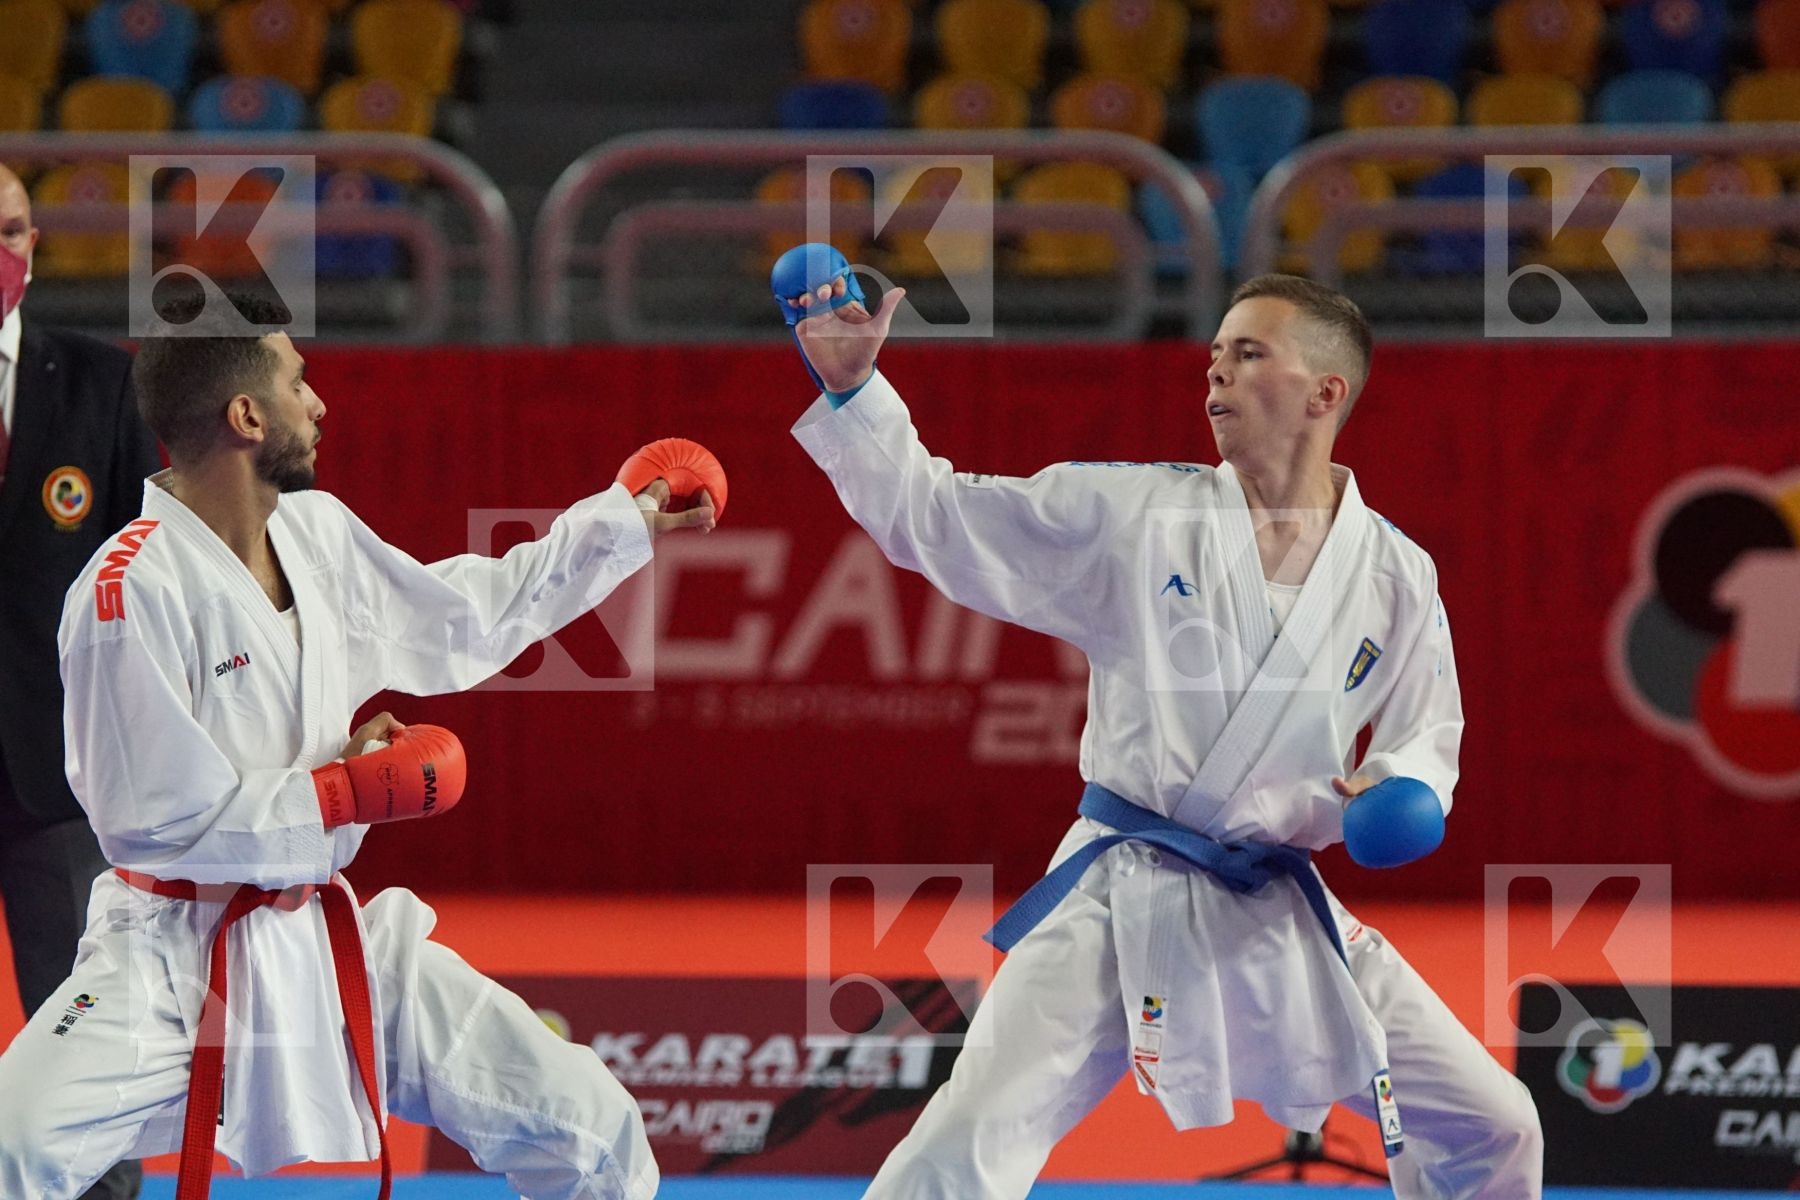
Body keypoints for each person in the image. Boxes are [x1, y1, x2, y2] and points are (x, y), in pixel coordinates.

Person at [774, 256, 1544, 1199]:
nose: (1214, 372)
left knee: (1496, 1124)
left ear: (1324, 392)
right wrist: (856, 388)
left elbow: (1427, 732)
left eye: (1248, 354)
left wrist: (1404, 791)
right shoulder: (1137, 514)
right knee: (962, 1146)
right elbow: (936, 517)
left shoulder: (1395, 571)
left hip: (1273, 899)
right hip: (1118, 893)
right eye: (1215, 353)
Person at [0, 291, 717, 1200]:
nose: (320, 402)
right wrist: (341, 791)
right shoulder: (124, 593)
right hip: (169, 965)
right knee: (12, 1147)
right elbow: (152, 821)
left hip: (324, 934)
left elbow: (465, 617)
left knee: (592, 1129)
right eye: (300, 381)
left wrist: (616, 525)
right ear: (247, 416)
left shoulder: (316, 531)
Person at [0, 163, 160, 1200]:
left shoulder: (102, 383)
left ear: (39, 237)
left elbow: (148, 573)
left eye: (10, 229)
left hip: (55, 766)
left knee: (79, 1018)